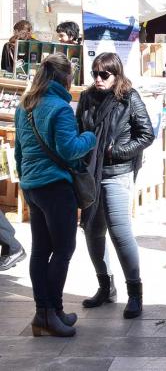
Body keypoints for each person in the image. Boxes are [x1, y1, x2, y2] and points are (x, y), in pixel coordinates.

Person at [15, 53, 97, 337]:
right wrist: (90, 137)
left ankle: (50, 312)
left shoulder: (25, 105)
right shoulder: (59, 108)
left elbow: (19, 152)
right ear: (65, 79)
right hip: (55, 187)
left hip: (32, 186)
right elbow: (69, 149)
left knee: (41, 251)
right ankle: (48, 314)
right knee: (63, 250)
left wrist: (26, 179)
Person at [75, 52, 155, 319]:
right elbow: (77, 130)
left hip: (116, 172)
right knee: (92, 232)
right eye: (95, 74)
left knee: (120, 234)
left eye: (104, 75)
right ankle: (105, 287)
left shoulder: (129, 97)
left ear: (116, 74)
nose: (98, 79)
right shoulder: (86, 98)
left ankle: (135, 294)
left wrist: (117, 152)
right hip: (91, 174)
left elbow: (147, 134)